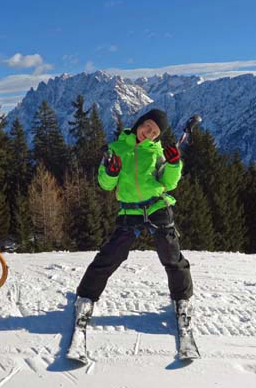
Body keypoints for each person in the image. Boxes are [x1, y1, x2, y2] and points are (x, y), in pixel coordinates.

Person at [70, 108, 197, 358]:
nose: (148, 133)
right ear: (139, 123)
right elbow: (105, 184)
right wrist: (112, 171)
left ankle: (182, 300)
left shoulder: (157, 152)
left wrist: (173, 164)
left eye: (154, 132)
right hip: (130, 210)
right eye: (147, 126)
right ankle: (85, 297)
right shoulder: (116, 148)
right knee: (111, 256)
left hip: (157, 205)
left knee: (171, 256)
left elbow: (169, 183)